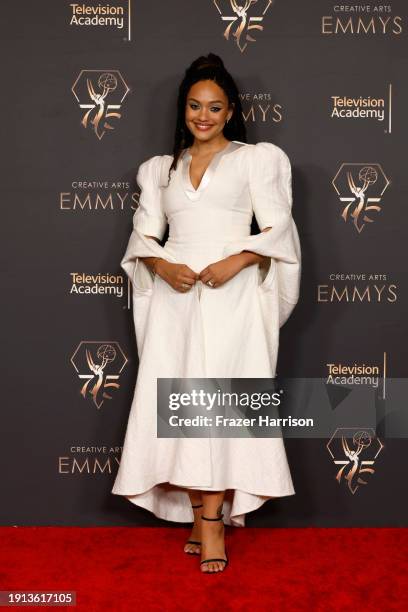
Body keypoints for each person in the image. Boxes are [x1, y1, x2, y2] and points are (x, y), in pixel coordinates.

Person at [111, 53, 301, 574]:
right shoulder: (159, 170)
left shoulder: (255, 160)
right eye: (195, 106)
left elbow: (278, 230)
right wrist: (161, 266)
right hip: (177, 297)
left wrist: (237, 261)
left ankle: (215, 525)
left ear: (231, 109)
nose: (203, 116)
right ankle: (199, 516)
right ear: (184, 109)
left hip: (232, 297)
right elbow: (144, 235)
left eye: (214, 107)